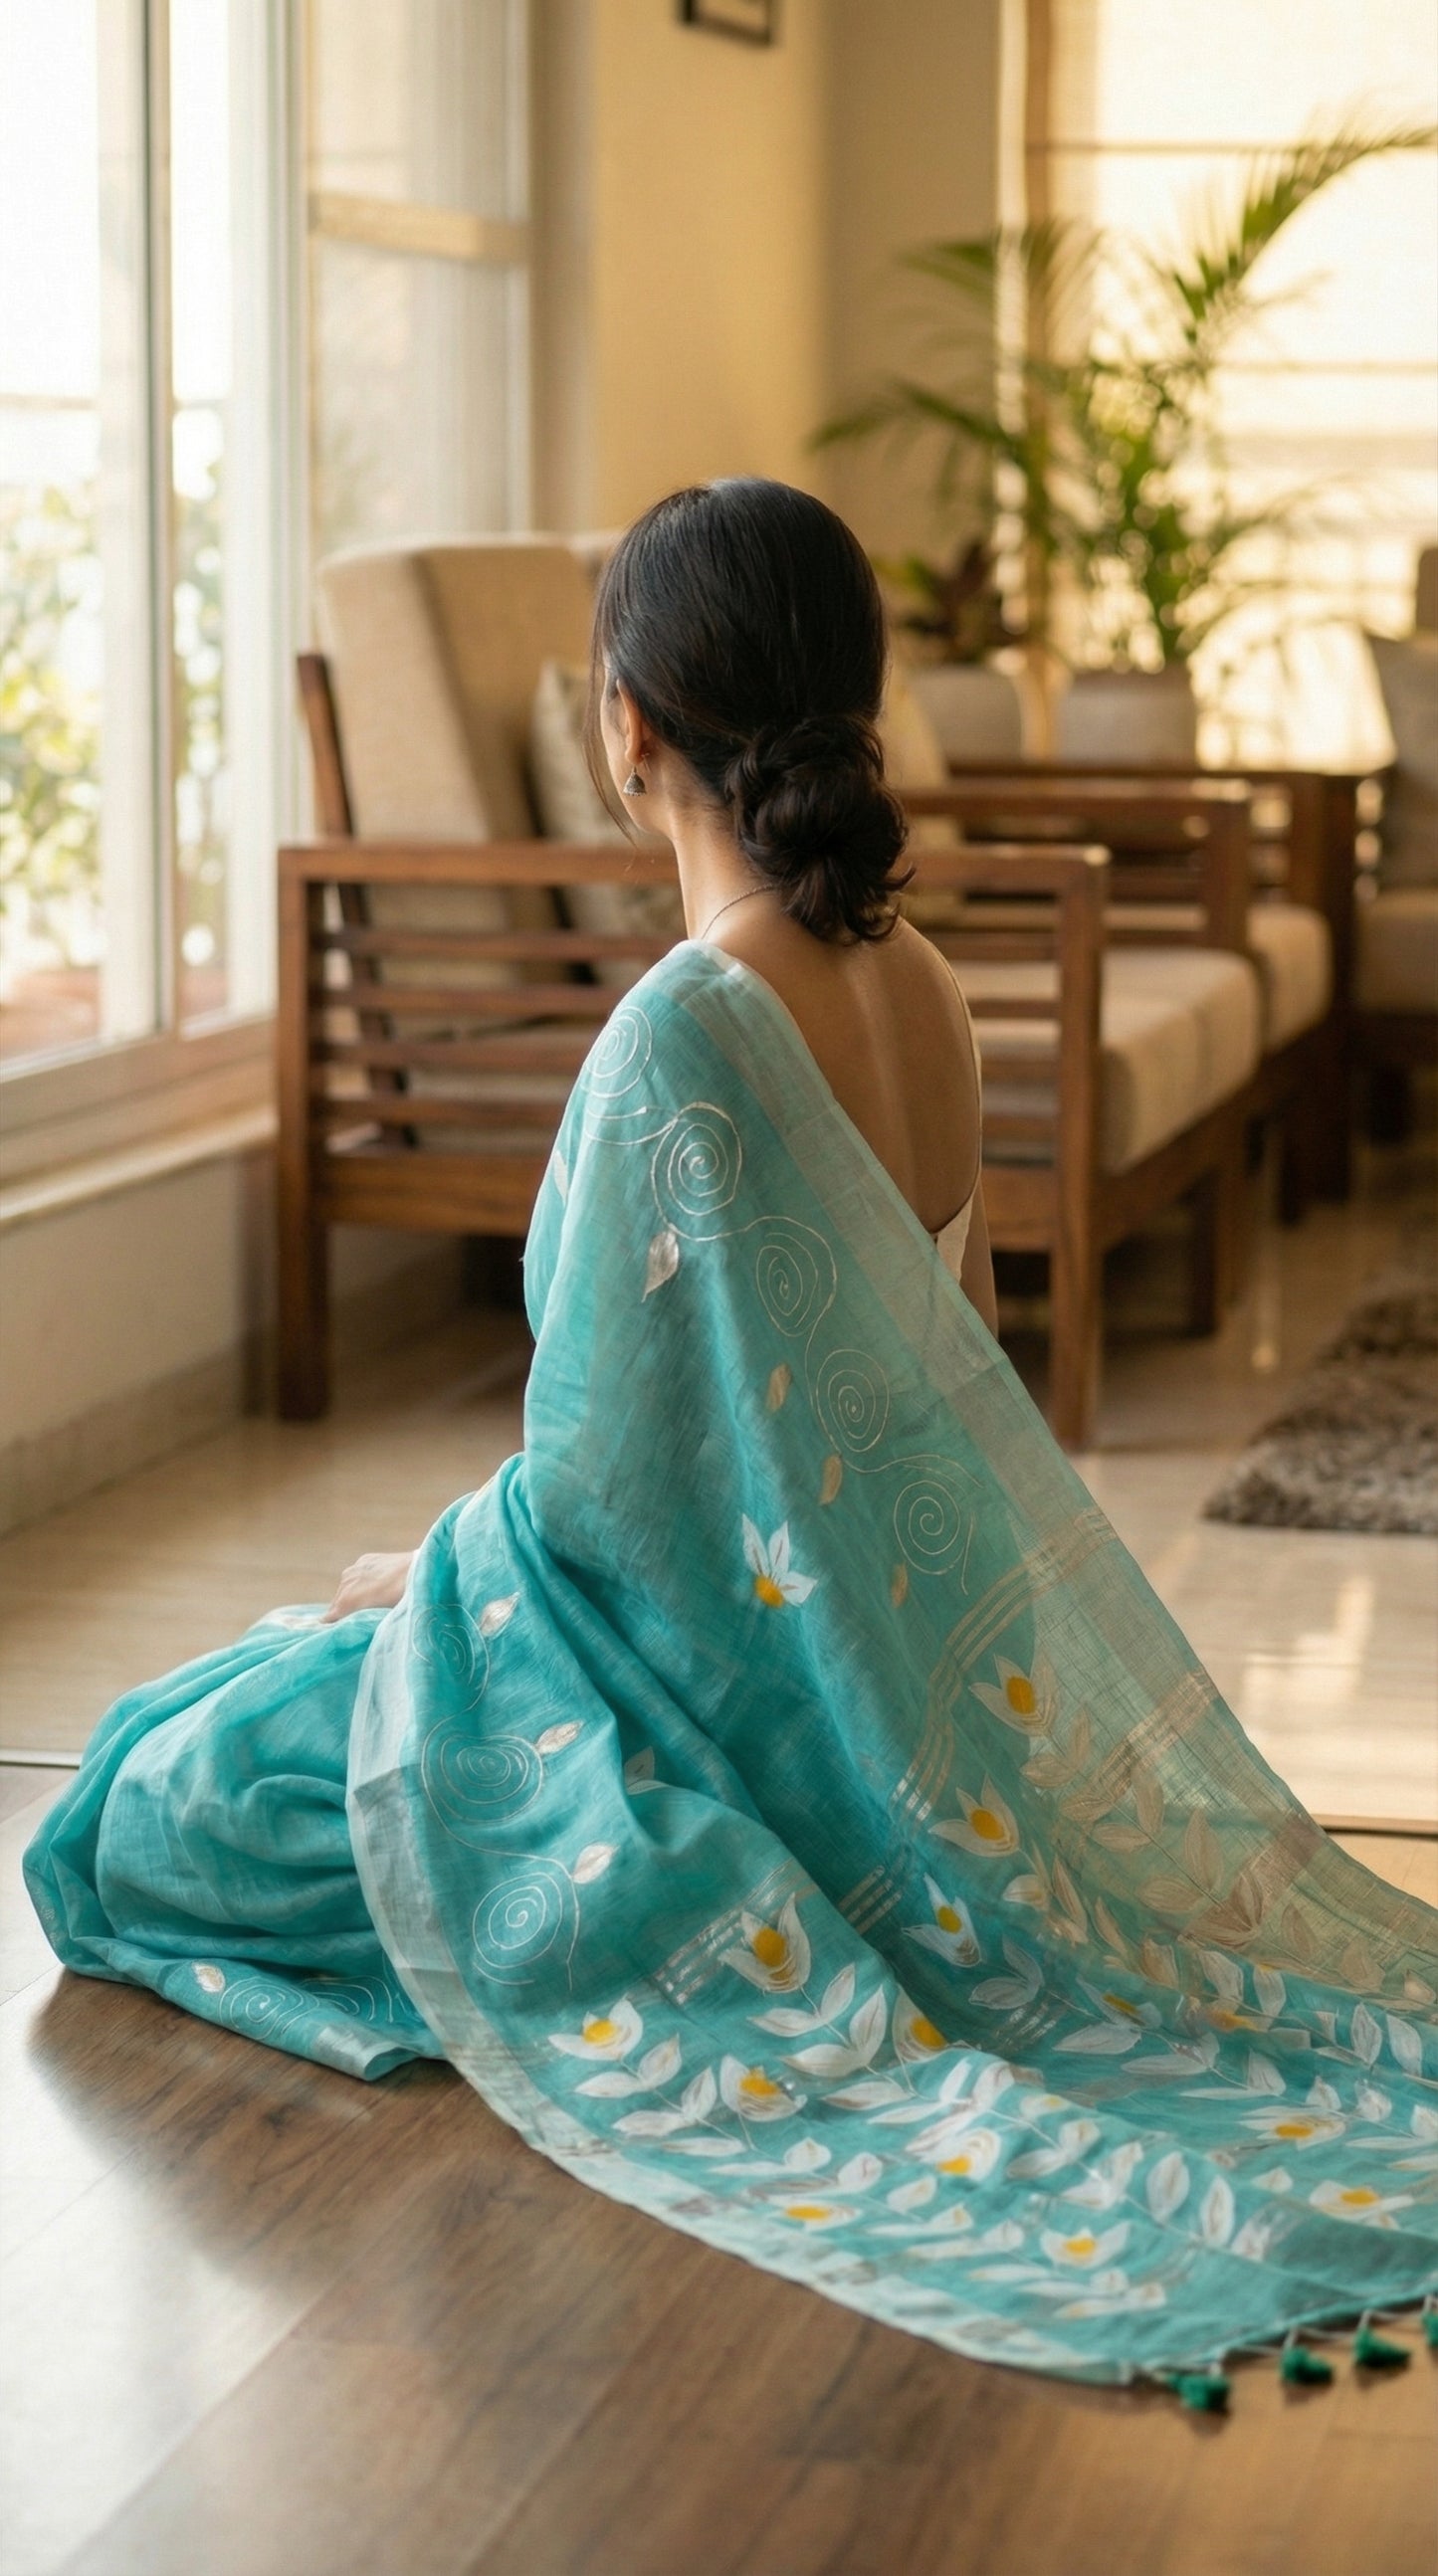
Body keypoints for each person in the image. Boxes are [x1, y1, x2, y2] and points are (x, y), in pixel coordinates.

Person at [27, 482, 1437, 2397]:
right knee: (277, 1700)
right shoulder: (927, 987)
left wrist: (427, 1578)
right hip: (918, 1718)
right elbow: (927, 1398)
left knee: (144, 1804)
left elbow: (609, 1506)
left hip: (708, 1732)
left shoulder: (684, 1029)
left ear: (624, 724)